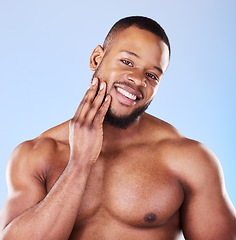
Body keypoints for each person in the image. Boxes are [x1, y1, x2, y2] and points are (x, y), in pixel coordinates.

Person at [0, 16, 235, 240]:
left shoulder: (189, 160)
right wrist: (79, 164)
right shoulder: (36, 155)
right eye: (127, 62)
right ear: (96, 58)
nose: (138, 79)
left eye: (152, 75)